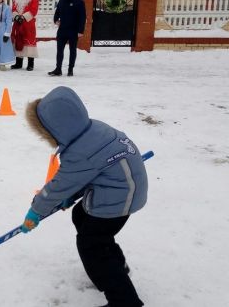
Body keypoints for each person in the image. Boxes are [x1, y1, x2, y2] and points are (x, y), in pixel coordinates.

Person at [20, 86, 148, 307]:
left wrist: (36, 211)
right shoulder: (93, 131)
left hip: (118, 200)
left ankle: (124, 301)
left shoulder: (80, 152)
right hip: (123, 190)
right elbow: (91, 173)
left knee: (92, 245)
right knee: (82, 216)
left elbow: (59, 186)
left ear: (56, 129)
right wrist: (72, 196)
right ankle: (115, 267)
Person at [50, 0, 86, 77]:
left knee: (72, 50)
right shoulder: (62, 0)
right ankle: (58, 69)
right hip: (62, 30)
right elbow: (57, 11)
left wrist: (80, 31)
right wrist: (56, 19)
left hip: (73, 31)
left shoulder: (79, 2)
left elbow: (82, 18)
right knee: (59, 50)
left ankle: (70, 69)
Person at [10, 0, 40, 71]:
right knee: (19, 40)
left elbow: (34, 10)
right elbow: (13, 8)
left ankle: (30, 64)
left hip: (28, 23)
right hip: (17, 22)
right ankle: (18, 63)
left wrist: (23, 17)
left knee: (29, 42)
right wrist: (16, 16)